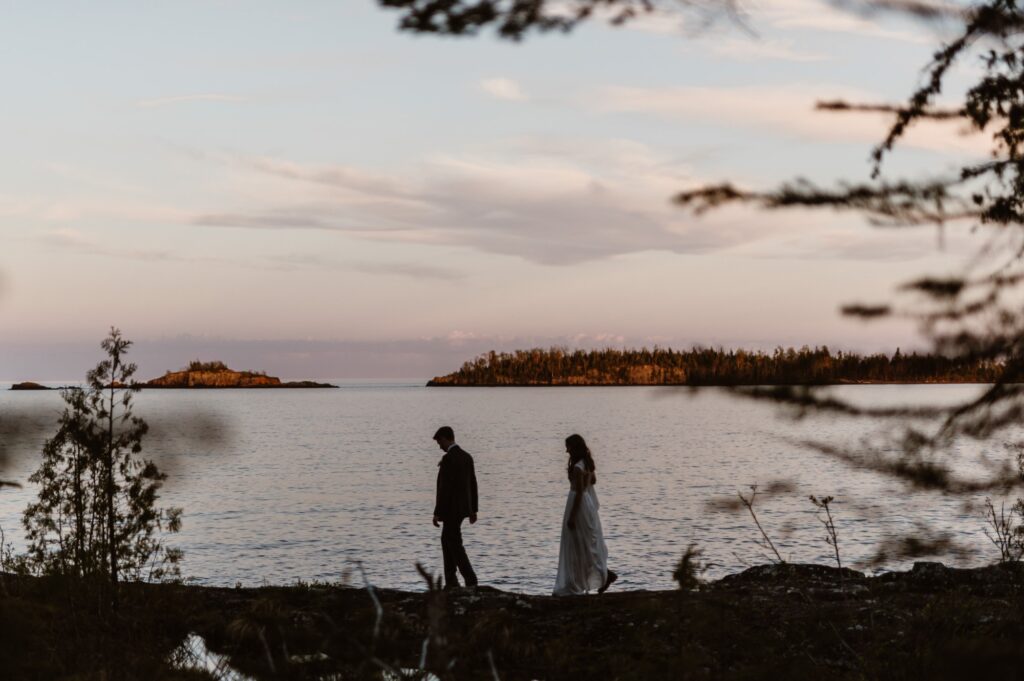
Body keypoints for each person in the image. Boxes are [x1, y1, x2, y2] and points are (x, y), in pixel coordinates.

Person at [553, 434, 616, 596]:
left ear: (574, 448)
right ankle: (604, 573)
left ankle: (600, 575)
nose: (566, 451)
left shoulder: (578, 468)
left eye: (568, 447)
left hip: (578, 504)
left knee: (578, 544)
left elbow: (579, 492)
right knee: (586, 543)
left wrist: (572, 517)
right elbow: (593, 481)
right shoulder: (587, 464)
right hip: (587, 504)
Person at [432, 426, 478, 590]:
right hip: (463, 508)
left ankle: (469, 578)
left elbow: (445, 488)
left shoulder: (448, 459)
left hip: (450, 509)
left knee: (454, 543)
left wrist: (438, 512)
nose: (439, 446)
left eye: (439, 442)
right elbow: (472, 484)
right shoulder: (467, 457)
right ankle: (451, 580)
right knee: (447, 540)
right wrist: (473, 509)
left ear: (445, 438)